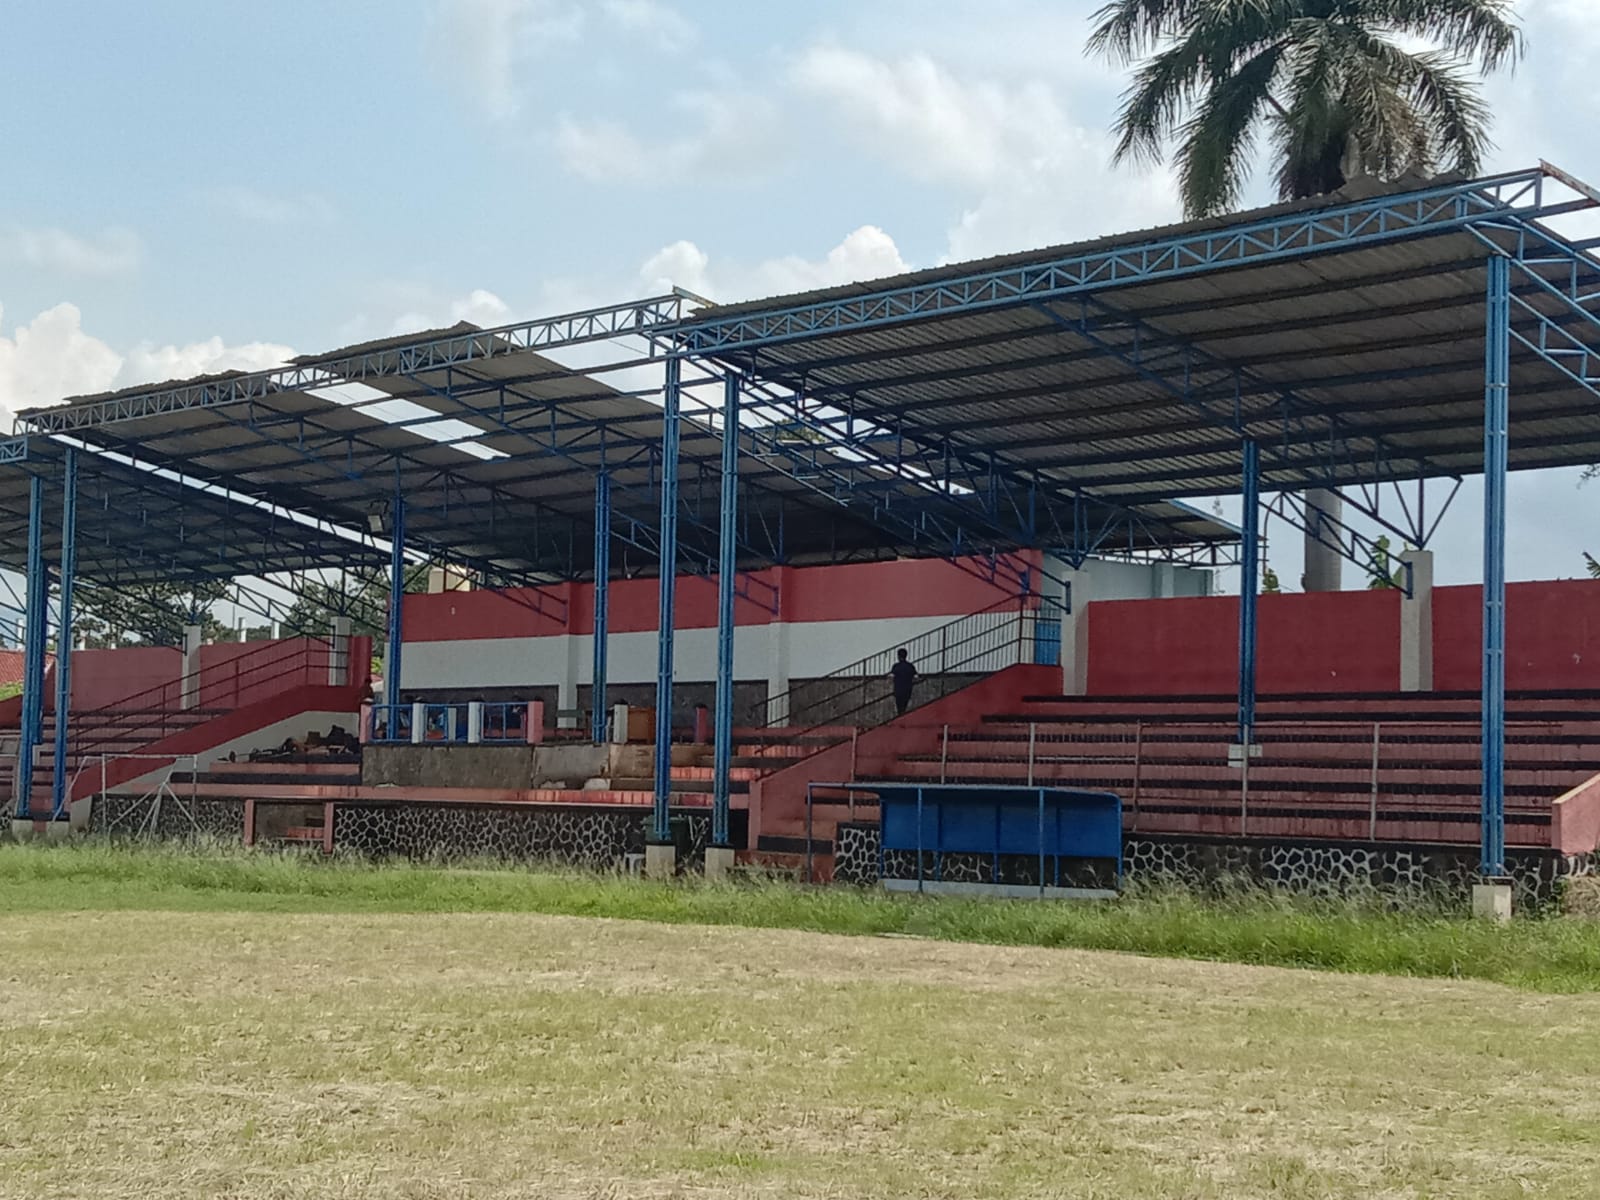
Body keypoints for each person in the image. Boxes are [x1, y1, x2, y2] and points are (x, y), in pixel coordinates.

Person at [890, 648, 918, 716]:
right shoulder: (910, 666)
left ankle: (900, 718)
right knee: (904, 706)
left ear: (898, 656)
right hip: (907, 689)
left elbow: (891, 676)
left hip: (898, 690)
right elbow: (916, 675)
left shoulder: (896, 666)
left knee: (899, 707)